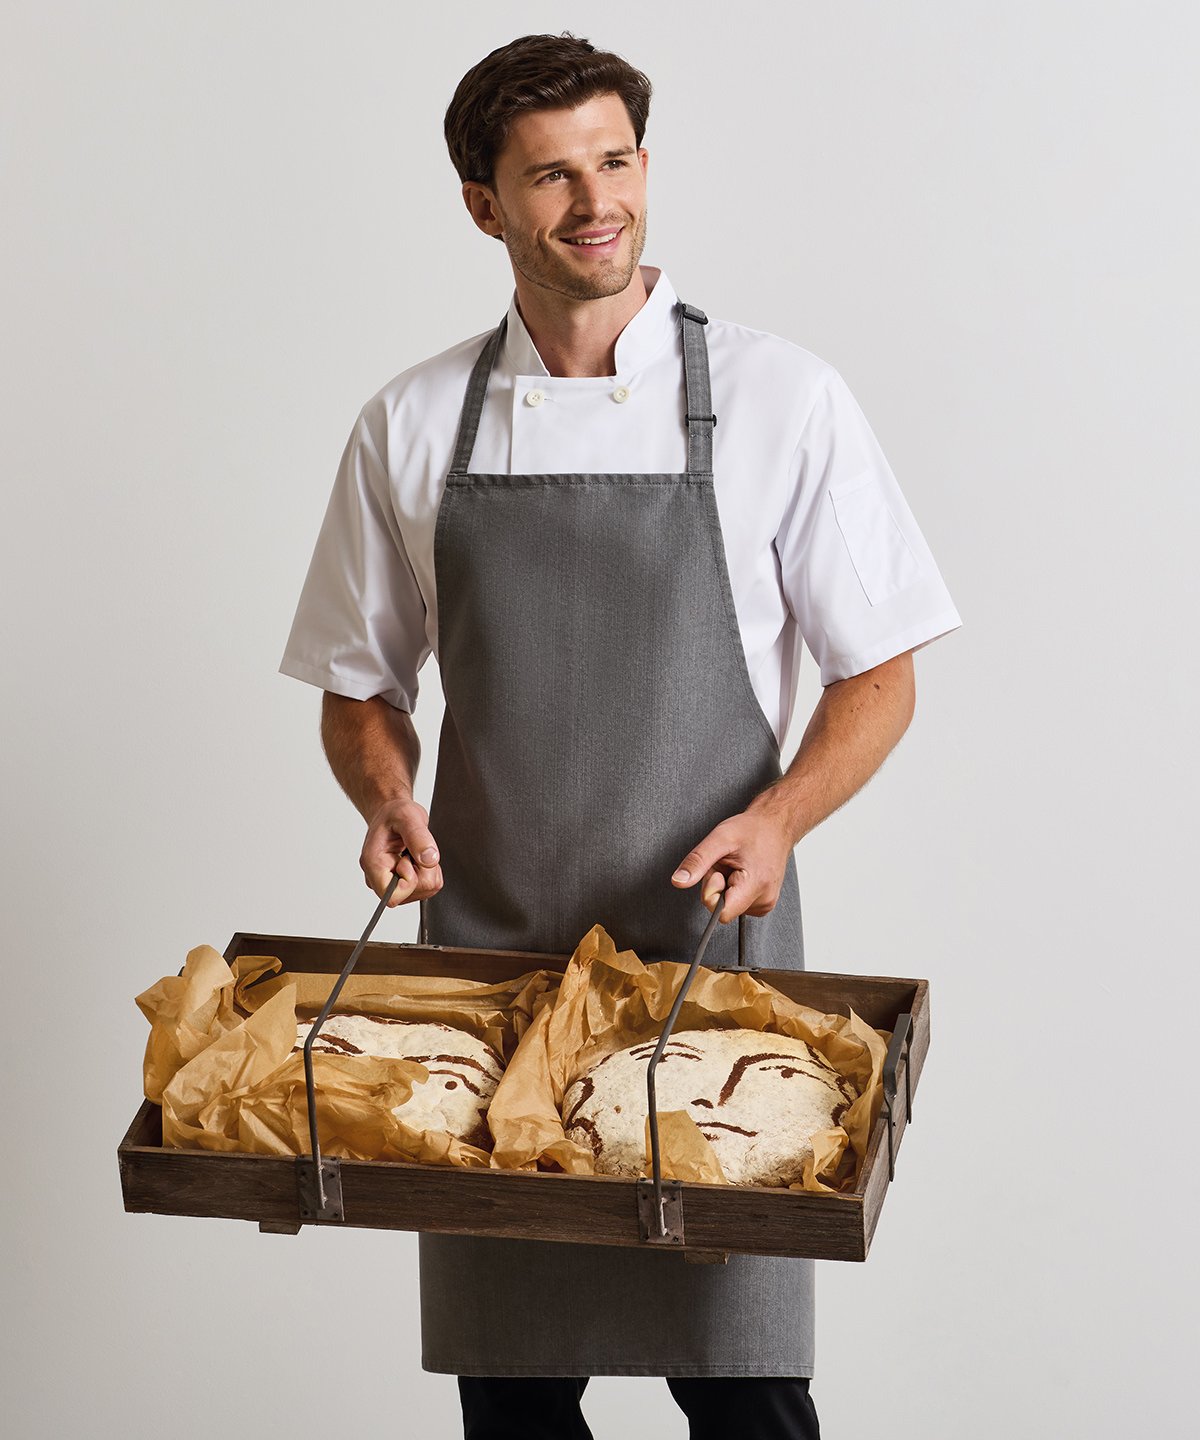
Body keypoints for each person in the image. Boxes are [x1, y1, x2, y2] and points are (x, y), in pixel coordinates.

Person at [281, 32, 960, 1440]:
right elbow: (359, 689)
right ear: (485, 205)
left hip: (712, 984)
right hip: (490, 988)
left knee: (750, 1392)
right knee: (514, 1400)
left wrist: (777, 822)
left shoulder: (783, 398)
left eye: (617, 160)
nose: (597, 201)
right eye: (551, 176)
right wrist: (386, 797)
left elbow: (879, 675)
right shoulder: (409, 424)